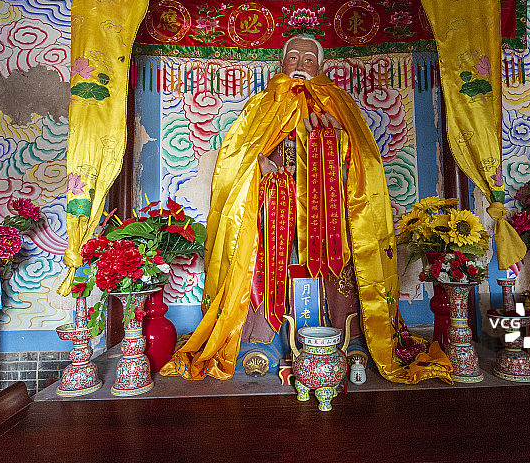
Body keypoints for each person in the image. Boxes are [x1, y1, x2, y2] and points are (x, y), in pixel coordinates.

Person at [161, 35, 452, 384]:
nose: (299, 66)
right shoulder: (261, 106)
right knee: (269, 269)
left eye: (308, 60)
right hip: (276, 208)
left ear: (322, 67)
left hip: (329, 210)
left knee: (337, 267)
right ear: (280, 64)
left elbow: (365, 163)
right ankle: (265, 339)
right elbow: (235, 162)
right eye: (293, 58)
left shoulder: (338, 104)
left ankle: (347, 336)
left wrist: (339, 146)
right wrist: (260, 168)